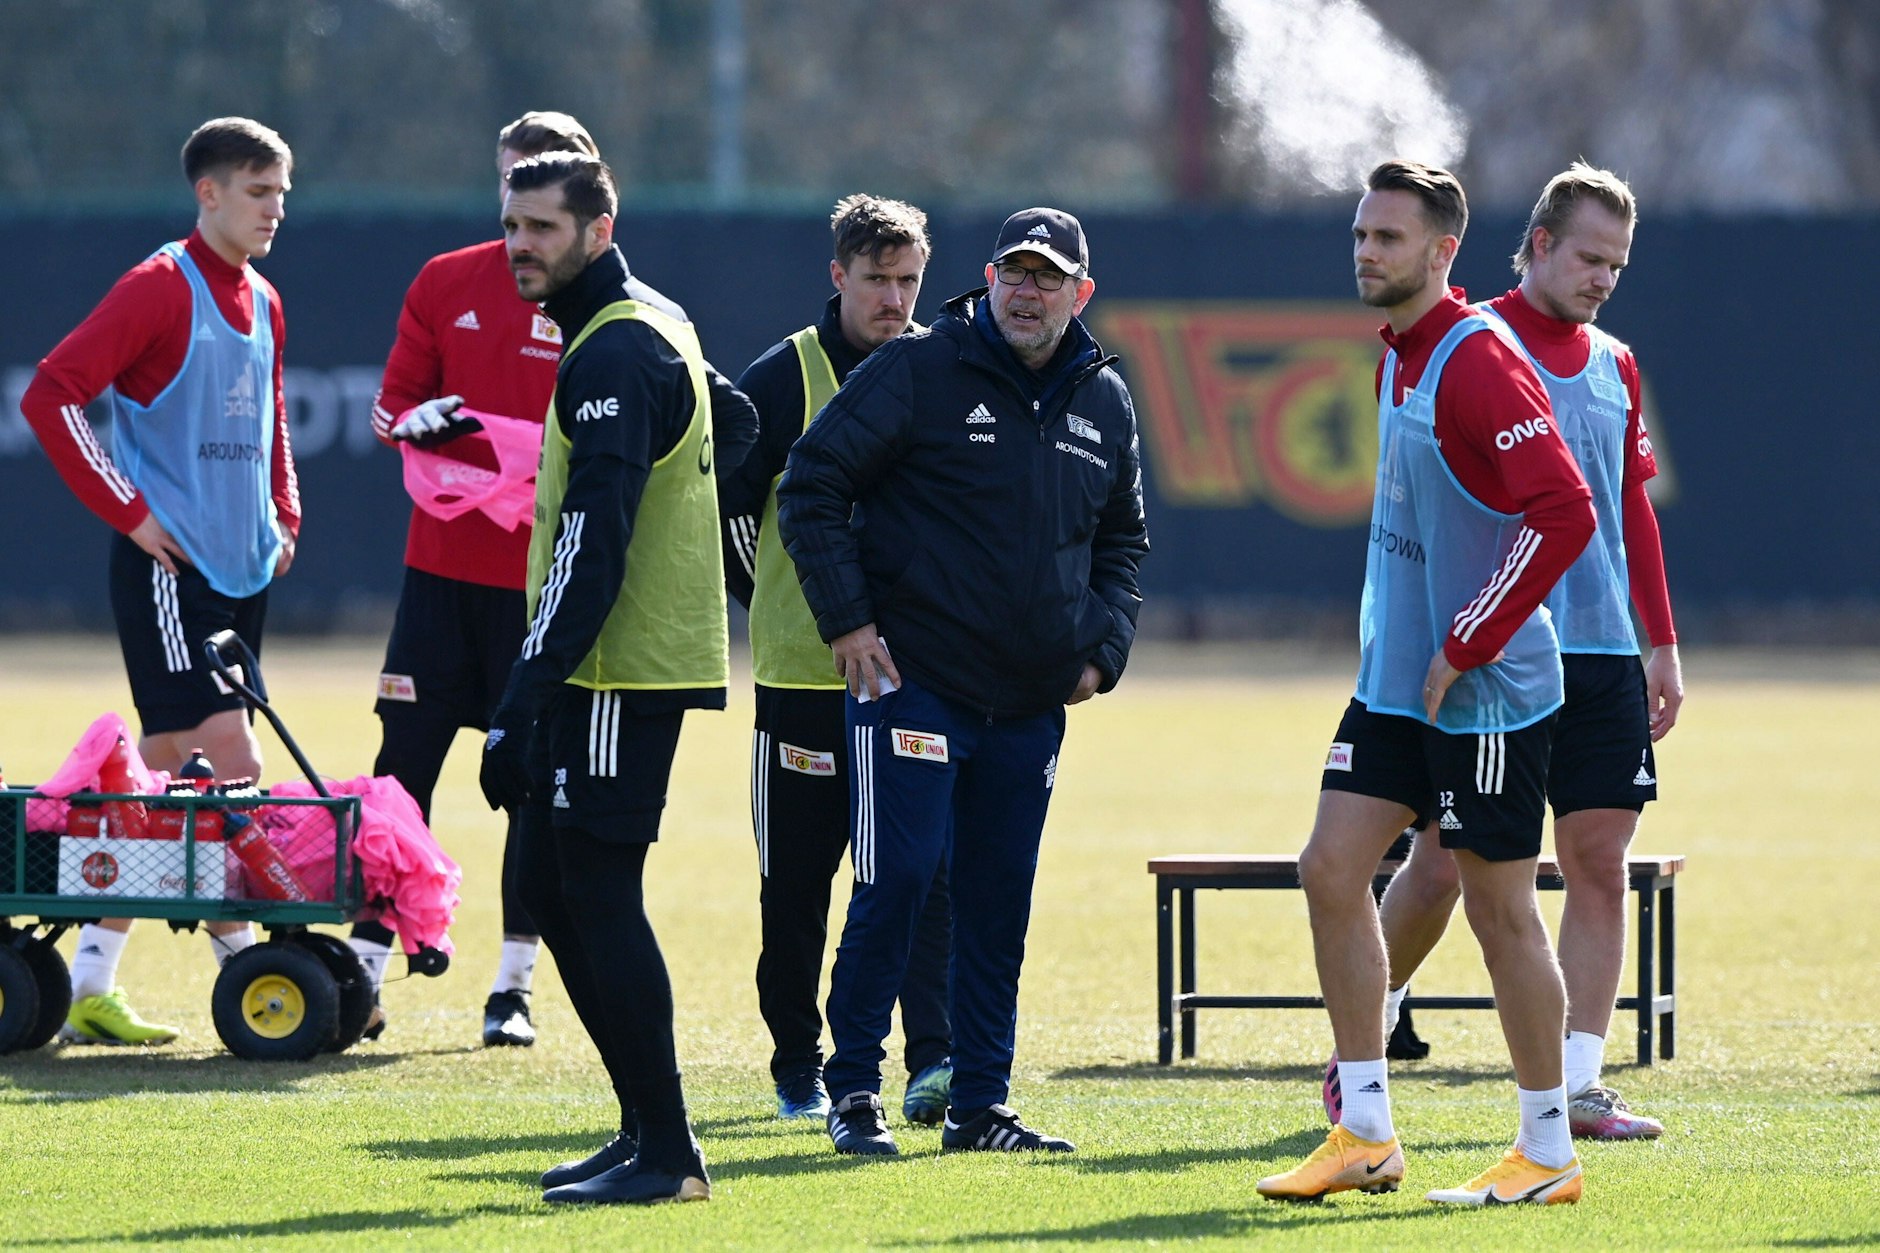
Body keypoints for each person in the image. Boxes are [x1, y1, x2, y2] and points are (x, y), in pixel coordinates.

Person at [1255, 160, 1596, 1207]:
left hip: (1483, 686)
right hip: (1399, 686)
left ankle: (1546, 1150)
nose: (1365, 251)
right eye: (1359, 234)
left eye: (1387, 238)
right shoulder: (1394, 357)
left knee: (1499, 911)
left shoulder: (1474, 359)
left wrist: (1468, 635)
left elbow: (1565, 509)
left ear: (1441, 251)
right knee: (1327, 866)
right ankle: (1363, 1130)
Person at [777, 207, 1149, 1158]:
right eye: (1014, 273)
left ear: (1081, 292)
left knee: (997, 900)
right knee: (896, 879)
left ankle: (981, 1106)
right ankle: (853, 1090)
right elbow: (810, 481)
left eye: (1048, 277)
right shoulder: (917, 367)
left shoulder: (1105, 398)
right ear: (987, 279)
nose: (1028, 292)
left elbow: (1123, 541)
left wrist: (1102, 653)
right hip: (916, 683)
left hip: (1028, 704)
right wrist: (848, 621)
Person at [1328, 163, 1682, 1141]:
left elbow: (1622, 510)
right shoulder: (1461, 343)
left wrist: (1659, 641)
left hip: (1600, 647)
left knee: (1599, 859)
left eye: (1616, 262)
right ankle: (1368, 1025)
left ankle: (1575, 1084)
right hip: (1495, 655)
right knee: (1443, 862)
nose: (1602, 276)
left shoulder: (1613, 362)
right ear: (1532, 245)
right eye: (1585, 255)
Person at [476, 151, 755, 1205]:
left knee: (593, 887)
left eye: (541, 227)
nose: (519, 246)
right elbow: (736, 425)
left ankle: (671, 1148)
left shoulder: (614, 351)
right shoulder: (650, 320)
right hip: (614, 660)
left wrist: (521, 700)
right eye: (511, 224)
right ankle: (643, 1126)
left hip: (615, 670)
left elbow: (589, 549)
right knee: (555, 885)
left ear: (599, 227)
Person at [20, 117, 298, 1045]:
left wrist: (283, 513)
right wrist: (128, 510)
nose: (274, 210)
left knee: (174, 775)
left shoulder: (265, 296)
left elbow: (272, 418)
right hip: (167, 569)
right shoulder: (156, 287)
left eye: (282, 193)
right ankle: (256, 971)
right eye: (257, 192)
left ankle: (93, 975)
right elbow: (50, 394)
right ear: (207, 194)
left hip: (239, 567)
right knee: (232, 762)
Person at [354, 110, 602, 1049]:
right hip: (438, 578)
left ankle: (513, 987)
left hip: (538, 590)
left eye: (545, 195)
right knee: (401, 777)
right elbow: (389, 408)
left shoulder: (598, 307)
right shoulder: (444, 280)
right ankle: (364, 969)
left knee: (532, 785)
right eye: (512, 187)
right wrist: (413, 427)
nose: (521, 211)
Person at [721, 194, 955, 1124]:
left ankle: (931, 1059)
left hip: (917, 685)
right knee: (797, 885)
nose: (895, 301)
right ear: (837, 277)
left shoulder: (943, 370)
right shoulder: (784, 378)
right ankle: (796, 1067)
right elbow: (729, 508)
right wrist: (780, 606)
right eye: (877, 281)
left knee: (921, 878)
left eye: (908, 282)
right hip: (802, 684)